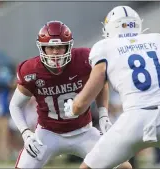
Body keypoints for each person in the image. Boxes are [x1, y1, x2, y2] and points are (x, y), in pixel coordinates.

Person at [64, 6, 160, 169]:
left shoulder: (105, 47)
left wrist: (72, 109)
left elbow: (82, 103)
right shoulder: (157, 40)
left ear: (110, 28)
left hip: (135, 120)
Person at [9, 20, 131, 169]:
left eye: (60, 47)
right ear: (42, 48)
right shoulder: (31, 70)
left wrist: (103, 115)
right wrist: (26, 133)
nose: (55, 52)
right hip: (48, 134)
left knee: (124, 167)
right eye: (50, 48)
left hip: (83, 132)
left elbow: (101, 82)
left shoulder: (85, 59)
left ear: (69, 46)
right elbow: (15, 105)